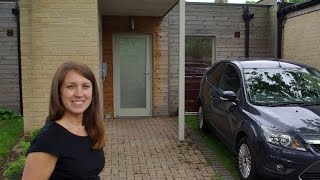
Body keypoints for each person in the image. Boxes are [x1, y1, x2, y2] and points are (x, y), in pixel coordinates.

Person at [22, 61, 106, 179]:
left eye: (85, 86)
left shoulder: (90, 129)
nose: (79, 94)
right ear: (59, 93)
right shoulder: (49, 139)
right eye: (71, 86)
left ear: (93, 93)